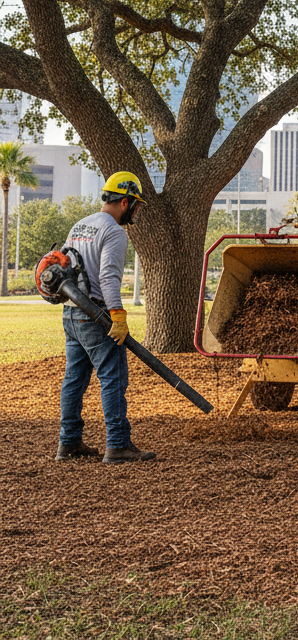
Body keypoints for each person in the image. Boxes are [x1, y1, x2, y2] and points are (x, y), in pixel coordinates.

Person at [55, 171, 156, 465]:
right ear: (125, 202)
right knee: (113, 378)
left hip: (72, 313)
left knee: (74, 380)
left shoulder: (79, 225)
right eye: (136, 205)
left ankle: (69, 443)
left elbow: (64, 266)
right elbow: (108, 279)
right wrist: (118, 316)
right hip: (96, 315)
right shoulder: (112, 231)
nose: (136, 211)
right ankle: (118, 445)